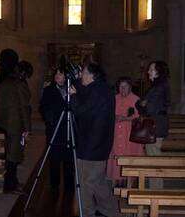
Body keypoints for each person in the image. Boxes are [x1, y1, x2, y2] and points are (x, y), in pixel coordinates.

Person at [70, 63, 118, 217]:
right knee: (98, 181)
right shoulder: (102, 88)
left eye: (83, 73)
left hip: (91, 145)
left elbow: (80, 110)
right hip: (98, 144)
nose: (81, 75)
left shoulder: (97, 91)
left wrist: (73, 96)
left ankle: (87, 213)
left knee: (85, 183)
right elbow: (85, 95)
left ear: (92, 75)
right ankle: (110, 210)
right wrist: (77, 84)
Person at [0, 50, 31, 193]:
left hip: (4, 123)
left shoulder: (5, 82)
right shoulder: (19, 84)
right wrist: (27, 127)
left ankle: (13, 182)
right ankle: (9, 186)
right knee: (13, 156)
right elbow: (24, 107)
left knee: (10, 154)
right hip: (15, 125)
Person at [39, 68, 74, 195]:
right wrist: (51, 119)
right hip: (55, 128)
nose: (58, 76)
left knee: (69, 158)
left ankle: (69, 185)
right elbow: (43, 107)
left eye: (61, 74)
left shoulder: (71, 88)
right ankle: (55, 184)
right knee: (54, 158)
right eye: (57, 74)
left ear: (66, 77)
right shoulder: (49, 89)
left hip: (68, 129)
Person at [106, 77, 143, 187]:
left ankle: (129, 183)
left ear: (130, 87)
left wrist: (126, 119)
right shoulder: (114, 98)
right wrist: (115, 117)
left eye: (124, 87)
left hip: (130, 133)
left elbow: (139, 117)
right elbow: (108, 113)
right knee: (115, 156)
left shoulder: (136, 99)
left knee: (129, 155)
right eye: (120, 87)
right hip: (116, 132)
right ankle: (114, 183)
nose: (122, 89)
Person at [137, 61, 170, 156]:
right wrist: (142, 103)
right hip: (157, 124)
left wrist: (139, 104)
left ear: (158, 73)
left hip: (156, 125)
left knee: (153, 156)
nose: (148, 72)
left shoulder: (158, 88)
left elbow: (148, 108)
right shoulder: (160, 86)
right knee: (153, 153)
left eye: (151, 70)